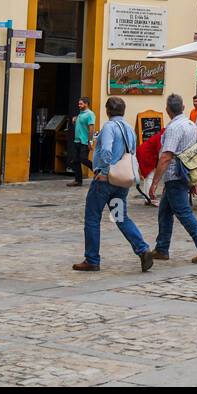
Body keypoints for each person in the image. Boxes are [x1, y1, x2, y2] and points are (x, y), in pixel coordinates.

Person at [74, 97, 154, 272]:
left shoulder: (109, 127)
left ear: (108, 111)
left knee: (92, 217)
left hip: (105, 182)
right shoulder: (129, 129)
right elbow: (132, 152)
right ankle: (142, 248)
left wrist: (103, 171)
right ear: (123, 111)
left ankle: (92, 259)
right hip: (122, 181)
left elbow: (106, 150)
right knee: (120, 216)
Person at [150, 93, 197, 264]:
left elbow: (166, 156)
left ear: (167, 110)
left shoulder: (173, 128)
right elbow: (196, 152)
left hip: (175, 175)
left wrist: (155, 182)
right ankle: (162, 248)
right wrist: (194, 180)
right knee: (164, 212)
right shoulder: (191, 125)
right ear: (183, 108)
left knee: (183, 212)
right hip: (186, 173)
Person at [67, 95, 96, 187]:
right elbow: (80, 122)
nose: (79, 105)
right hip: (77, 141)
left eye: (81, 104)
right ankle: (78, 181)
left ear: (86, 104)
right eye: (79, 104)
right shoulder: (80, 114)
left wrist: (90, 142)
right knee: (75, 160)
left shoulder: (90, 114)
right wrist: (75, 119)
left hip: (84, 141)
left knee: (83, 159)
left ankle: (98, 171)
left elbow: (91, 129)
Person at [136, 129, 162, 206]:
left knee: (149, 177)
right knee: (150, 176)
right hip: (146, 154)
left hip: (145, 152)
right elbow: (161, 153)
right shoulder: (163, 136)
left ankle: (147, 197)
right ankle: (150, 198)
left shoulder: (162, 135)